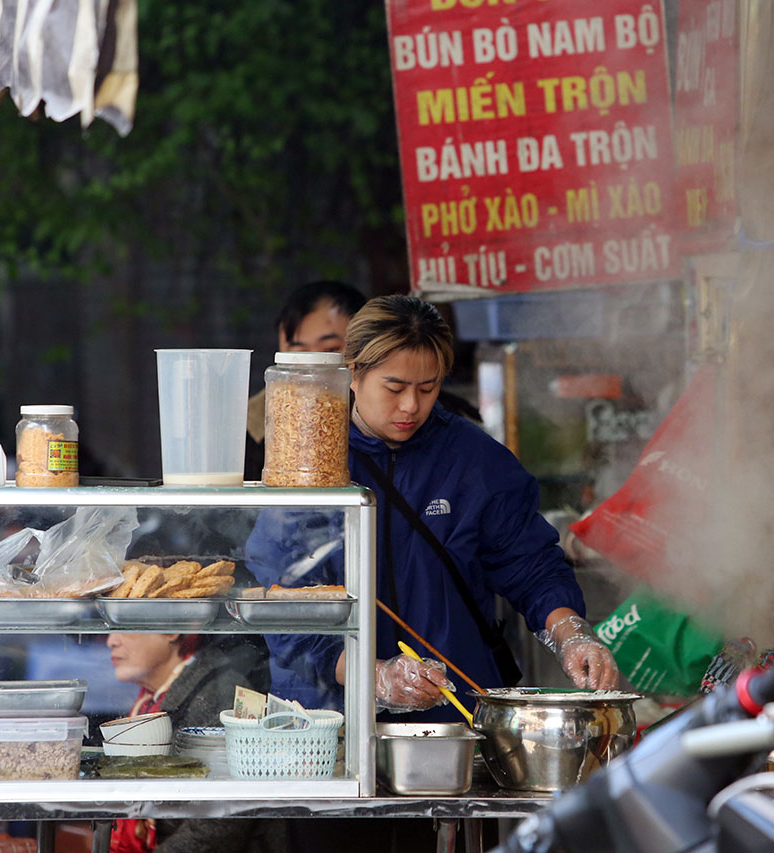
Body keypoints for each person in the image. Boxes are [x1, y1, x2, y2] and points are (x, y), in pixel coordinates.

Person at [245, 295, 619, 723]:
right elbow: (284, 603)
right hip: (326, 724)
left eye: (428, 388)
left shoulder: (474, 460)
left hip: (453, 717)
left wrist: (572, 635)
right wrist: (378, 677)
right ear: (352, 373)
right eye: (395, 387)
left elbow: (531, 566)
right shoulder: (310, 459)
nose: (411, 406)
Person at [104, 632, 285, 853]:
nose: (111, 640)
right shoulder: (153, 698)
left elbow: (220, 822)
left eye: (127, 628)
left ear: (171, 632)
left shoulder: (218, 694)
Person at [245, 280, 367, 481]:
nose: (313, 366)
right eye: (300, 351)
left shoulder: (379, 417)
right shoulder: (252, 423)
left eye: (330, 350)